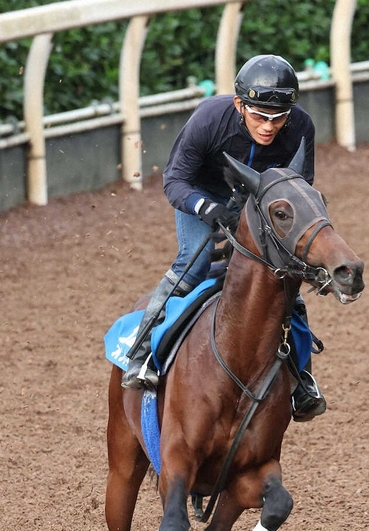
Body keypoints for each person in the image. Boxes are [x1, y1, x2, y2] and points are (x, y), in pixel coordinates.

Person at [122, 54, 326, 422]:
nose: (269, 127)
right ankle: (141, 358)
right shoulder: (208, 119)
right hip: (200, 197)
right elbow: (175, 180)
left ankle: (303, 381)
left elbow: (298, 189)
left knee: (283, 280)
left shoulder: (301, 128)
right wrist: (205, 208)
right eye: (260, 116)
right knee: (194, 266)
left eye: (278, 118)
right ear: (238, 104)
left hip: (258, 206)